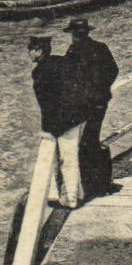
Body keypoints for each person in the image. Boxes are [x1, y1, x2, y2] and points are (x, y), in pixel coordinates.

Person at [63, 18, 118, 200]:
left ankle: (95, 184)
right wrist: (102, 87)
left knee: (87, 142)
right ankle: (100, 183)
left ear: (75, 35)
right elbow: (113, 70)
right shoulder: (100, 48)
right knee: (90, 140)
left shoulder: (73, 51)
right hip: (100, 101)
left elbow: (69, 78)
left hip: (86, 103)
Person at [29, 36, 84, 209]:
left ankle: (71, 199)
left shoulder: (39, 72)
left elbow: (46, 103)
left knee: (65, 159)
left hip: (62, 121)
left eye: (31, 49)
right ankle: (77, 193)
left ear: (39, 51)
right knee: (71, 157)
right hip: (77, 115)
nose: (29, 54)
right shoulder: (62, 62)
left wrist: (47, 129)